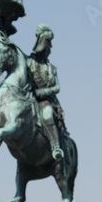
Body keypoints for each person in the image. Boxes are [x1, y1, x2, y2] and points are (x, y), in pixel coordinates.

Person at [27, 24, 65, 162]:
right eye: (50, 43)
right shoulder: (28, 62)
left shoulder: (51, 68)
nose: (51, 47)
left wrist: (43, 92)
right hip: (28, 99)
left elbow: (57, 87)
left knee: (48, 114)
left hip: (45, 101)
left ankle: (55, 147)